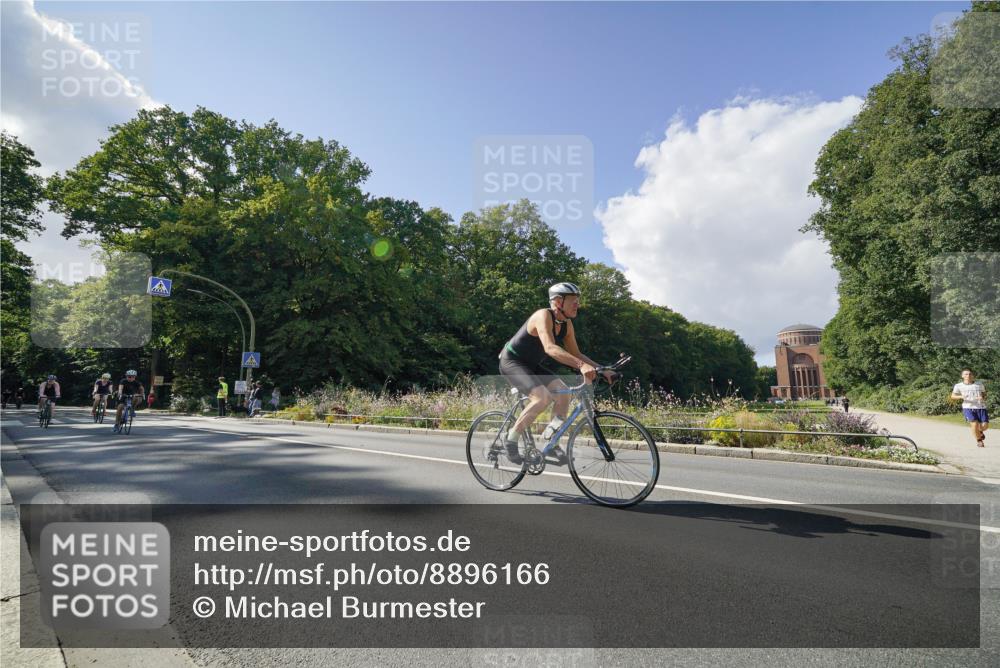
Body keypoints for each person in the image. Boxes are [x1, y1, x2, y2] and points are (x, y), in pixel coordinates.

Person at [498, 282, 613, 465]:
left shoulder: (567, 324)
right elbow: (550, 348)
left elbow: (576, 354)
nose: (577, 304)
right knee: (541, 398)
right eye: (573, 301)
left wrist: (602, 369)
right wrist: (581, 366)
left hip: (532, 365)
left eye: (578, 300)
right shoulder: (542, 316)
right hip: (513, 362)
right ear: (558, 302)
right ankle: (510, 439)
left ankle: (552, 442)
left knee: (564, 394)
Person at [951, 369, 989, 448]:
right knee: (974, 425)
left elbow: (984, 394)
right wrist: (961, 396)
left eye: (970, 374)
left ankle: (980, 431)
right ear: (962, 376)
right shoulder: (958, 386)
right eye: (966, 374)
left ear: (973, 376)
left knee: (984, 426)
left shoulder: (979, 384)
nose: (968, 376)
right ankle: (979, 441)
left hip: (980, 407)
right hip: (968, 407)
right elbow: (953, 396)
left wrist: (982, 397)